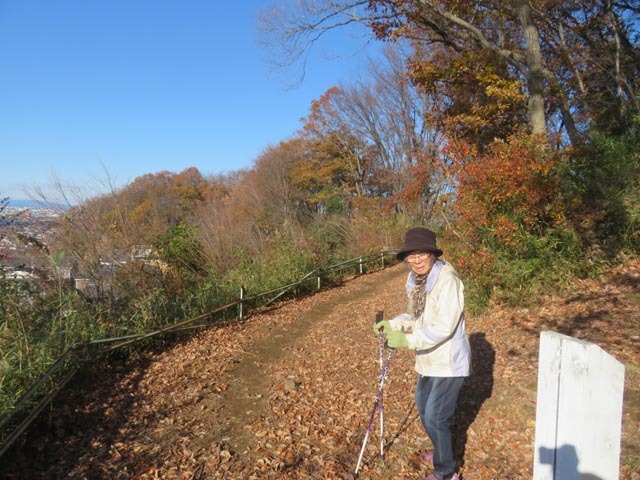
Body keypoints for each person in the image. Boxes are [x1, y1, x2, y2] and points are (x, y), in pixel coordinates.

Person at [374, 227, 470, 480]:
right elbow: (413, 315)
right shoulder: (415, 281)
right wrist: (393, 324)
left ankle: (446, 472)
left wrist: (406, 340)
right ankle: (443, 452)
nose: (415, 260)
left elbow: (443, 327)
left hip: (448, 361)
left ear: (432, 253)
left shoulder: (447, 280)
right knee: (424, 409)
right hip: (427, 359)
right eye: (410, 256)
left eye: (421, 254)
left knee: (437, 416)